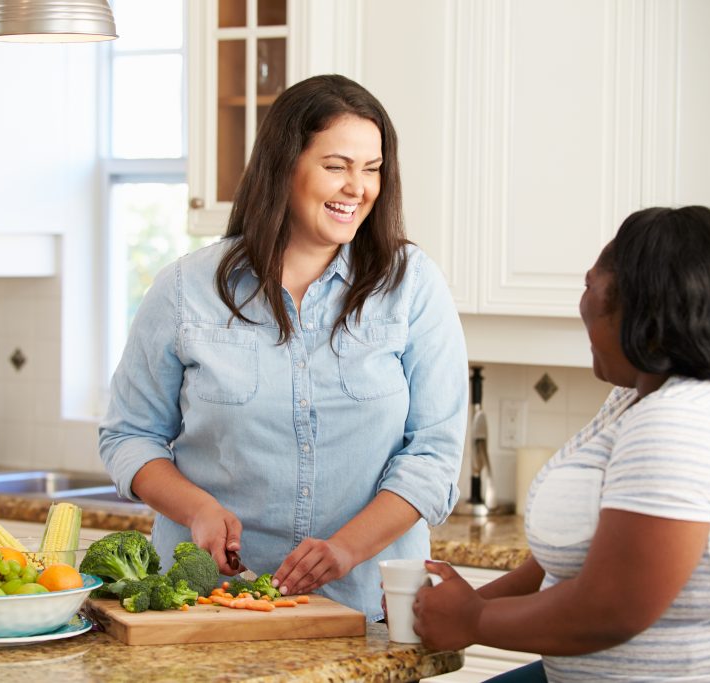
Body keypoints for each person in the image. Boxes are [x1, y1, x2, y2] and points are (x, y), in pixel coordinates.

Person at [99, 74, 468, 620]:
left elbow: (434, 457)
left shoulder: (412, 286)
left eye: (371, 170)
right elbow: (129, 435)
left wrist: (345, 550)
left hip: (367, 606)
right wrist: (197, 508)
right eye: (336, 166)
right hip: (207, 609)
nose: (358, 187)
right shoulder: (185, 290)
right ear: (284, 165)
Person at [412, 206, 710, 682]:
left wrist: (473, 620)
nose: (583, 306)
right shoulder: (634, 400)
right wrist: (468, 600)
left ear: (642, 306)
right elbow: (576, 559)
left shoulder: (687, 421)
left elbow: (612, 607)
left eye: (590, 286)